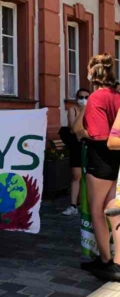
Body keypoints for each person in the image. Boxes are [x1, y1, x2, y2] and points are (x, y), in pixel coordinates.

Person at [80, 53, 120, 281]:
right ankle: (117, 261)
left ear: (93, 72)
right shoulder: (117, 95)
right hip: (116, 160)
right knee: (113, 211)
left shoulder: (96, 97)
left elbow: (97, 134)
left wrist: (81, 133)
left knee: (97, 211)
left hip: (100, 159)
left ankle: (105, 260)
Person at [60, 88, 90, 215]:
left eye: (86, 97)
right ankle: (73, 205)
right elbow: (73, 129)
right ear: (77, 98)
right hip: (76, 146)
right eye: (81, 97)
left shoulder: (93, 110)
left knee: (87, 175)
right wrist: (82, 111)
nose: (84, 99)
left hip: (88, 145)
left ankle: (82, 202)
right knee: (76, 175)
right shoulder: (73, 110)